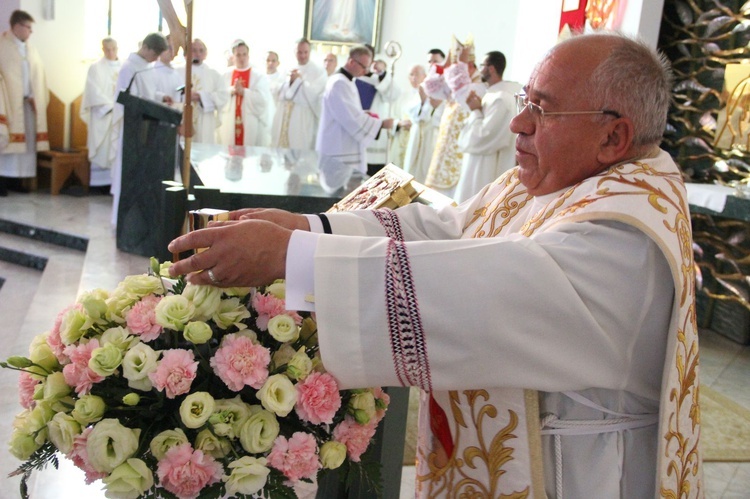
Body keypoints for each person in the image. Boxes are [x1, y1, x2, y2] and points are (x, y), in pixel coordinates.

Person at [168, 32, 702, 498]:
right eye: (524, 100)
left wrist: (289, 258)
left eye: (543, 109)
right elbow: (448, 229)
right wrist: (306, 229)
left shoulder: (626, 234)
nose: (518, 122)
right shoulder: (568, 179)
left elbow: (484, 289)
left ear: (614, 137)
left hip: (581, 479)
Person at [110, 32, 168, 226]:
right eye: (155, 54)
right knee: (128, 174)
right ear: (146, 48)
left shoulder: (145, 67)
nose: (156, 59)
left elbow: (147, 95)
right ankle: (121, 220)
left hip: (145, 127)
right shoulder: (129, 67)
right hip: (133, 129)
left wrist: (160, 98)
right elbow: (128, 99)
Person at [315, 45, 394, 181]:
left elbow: (348, 112)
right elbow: (350, 118)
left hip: (341, 148)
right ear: (351, 62)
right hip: (338, 150)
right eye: (364, 67)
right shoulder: (339, 83)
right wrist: (380, 124)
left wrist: (364, 113)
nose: (365, 71)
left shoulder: (346, 81)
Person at [453, 51, 520, 203]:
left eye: (482, 65)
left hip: (485, 168)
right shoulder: (493, 95)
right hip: (477, 163)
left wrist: (476, 110)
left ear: (491, 69)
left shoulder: (501, 100)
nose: (479, 70)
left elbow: (482, 136)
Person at [423, 35, 483, 198]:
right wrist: (446, 63)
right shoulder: (455, 87)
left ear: (469, 66)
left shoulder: (478, 87)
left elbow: (461, 89)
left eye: (457, 67)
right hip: (443, 152)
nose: (452, 71)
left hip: (460, 155)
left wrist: (460, 62)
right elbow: (430, 87)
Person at [0, 10, 49, 196]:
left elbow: (39, 76)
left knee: (25, 147)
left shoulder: (31, 48)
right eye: (28, 27)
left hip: (28, 105)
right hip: (8, 105)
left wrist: (35, 95)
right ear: (16, 27)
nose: (31, 31)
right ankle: (1, 182)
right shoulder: (2, 45)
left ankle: (17, 181)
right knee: (5, 143)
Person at [271, 38, 326, 150]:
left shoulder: (319, 71)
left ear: (310, 52)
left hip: (302, 118)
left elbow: (315, 95)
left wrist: (298, 83)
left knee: (300, 153)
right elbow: (275, 89)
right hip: (284, 116)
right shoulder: (287, 68)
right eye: (299, 52)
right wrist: (289, 82)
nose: (302, 55)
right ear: (294, 52)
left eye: (305, 52)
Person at [80, 37, 120, 188]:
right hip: (103, 114)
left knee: (116, 149)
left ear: (117, 48)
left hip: (120, 116)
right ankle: (99, 184)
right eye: (107, 49)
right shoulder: (95, 68)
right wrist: (110, 107)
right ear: (102, 49)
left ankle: (114, 183)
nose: (110, 52)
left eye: (113, 49)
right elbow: (93, 91)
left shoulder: (124, 67)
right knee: (103, 148)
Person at [219, 40, 273, 147]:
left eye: (244, 54)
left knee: (249, 153)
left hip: (250, 121)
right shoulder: (226, 74)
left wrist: (244, 92)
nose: (241, 58)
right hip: (230, 121)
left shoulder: (258, 76)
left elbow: (263, 100)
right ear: (233, 56)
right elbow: (218, 96)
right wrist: (231, 91)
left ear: (248, 55)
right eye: (238, 55)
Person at [356, 56, 400, 175]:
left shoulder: (380, 81)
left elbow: (394, 95)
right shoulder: (352, 80)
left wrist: (382, 73)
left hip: (376, 140)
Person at [401, 64, 444, 183]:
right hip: (416, 135)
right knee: (412, 168)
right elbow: (416, 116)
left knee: (425, 170)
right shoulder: (416, 93)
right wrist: (423, 101)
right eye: (411, 74)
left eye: (417, 74)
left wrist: (425, 100)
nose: (414, 78)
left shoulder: (441, 94)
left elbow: (434, 117)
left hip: (431, 137)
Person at [184, 39, 229, 144]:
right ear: (187, 52)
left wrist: (201, 96)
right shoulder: (179, 71)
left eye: (201, 50)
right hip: (184, 120)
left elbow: (223, 96)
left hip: (205, 119)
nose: (197, 54)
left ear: (205, 54)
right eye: (194, 50)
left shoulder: (214, 75)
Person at [153, 35, 183, 107]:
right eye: (169, 47)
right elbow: (147, 94)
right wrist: (162, 97)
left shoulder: (176, 74)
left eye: (175, 48)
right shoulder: (152, 71)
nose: (172, 51)